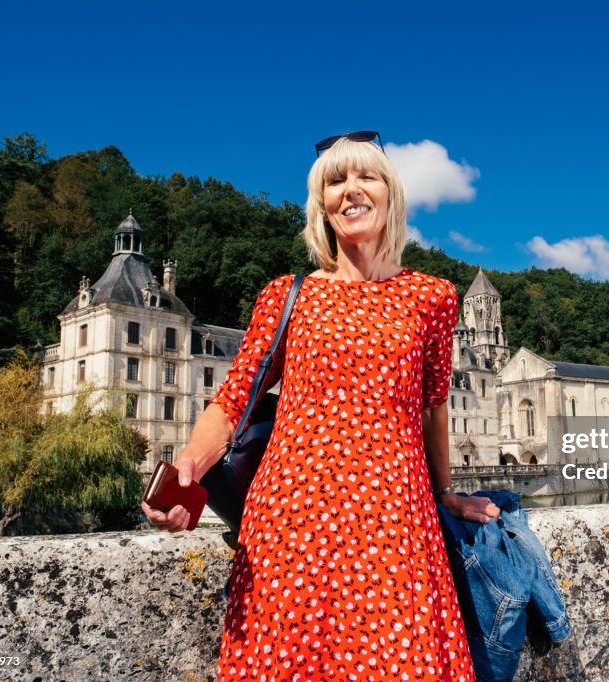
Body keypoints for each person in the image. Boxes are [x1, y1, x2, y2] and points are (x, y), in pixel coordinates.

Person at [143, 130, 499, 680]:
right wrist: (189, 464)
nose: (350, 190)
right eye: (335, 181)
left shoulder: (433, 297)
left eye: (366, 176)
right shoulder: (291, 294)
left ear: (391, 194)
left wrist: (445, 491)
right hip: (291, 531)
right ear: (321, 204)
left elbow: (432, 408)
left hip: (395, 526)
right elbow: (235, 398)